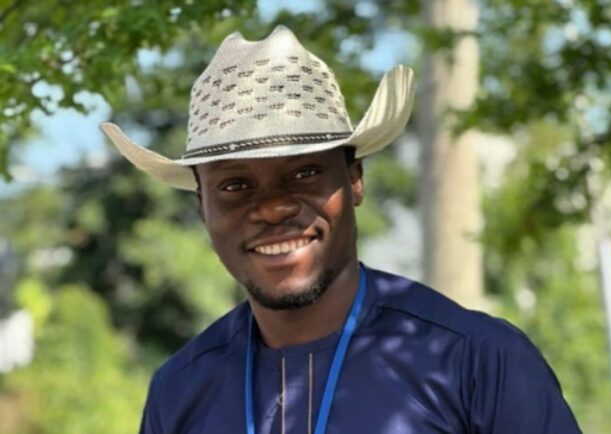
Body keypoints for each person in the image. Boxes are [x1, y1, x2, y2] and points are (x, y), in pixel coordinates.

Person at [101, 26, 582, 434]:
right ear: (202, 207)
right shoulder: (178, 392)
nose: (273, 208)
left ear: (354, 181)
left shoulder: (475, 361)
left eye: (304, 172)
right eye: (236, 185)